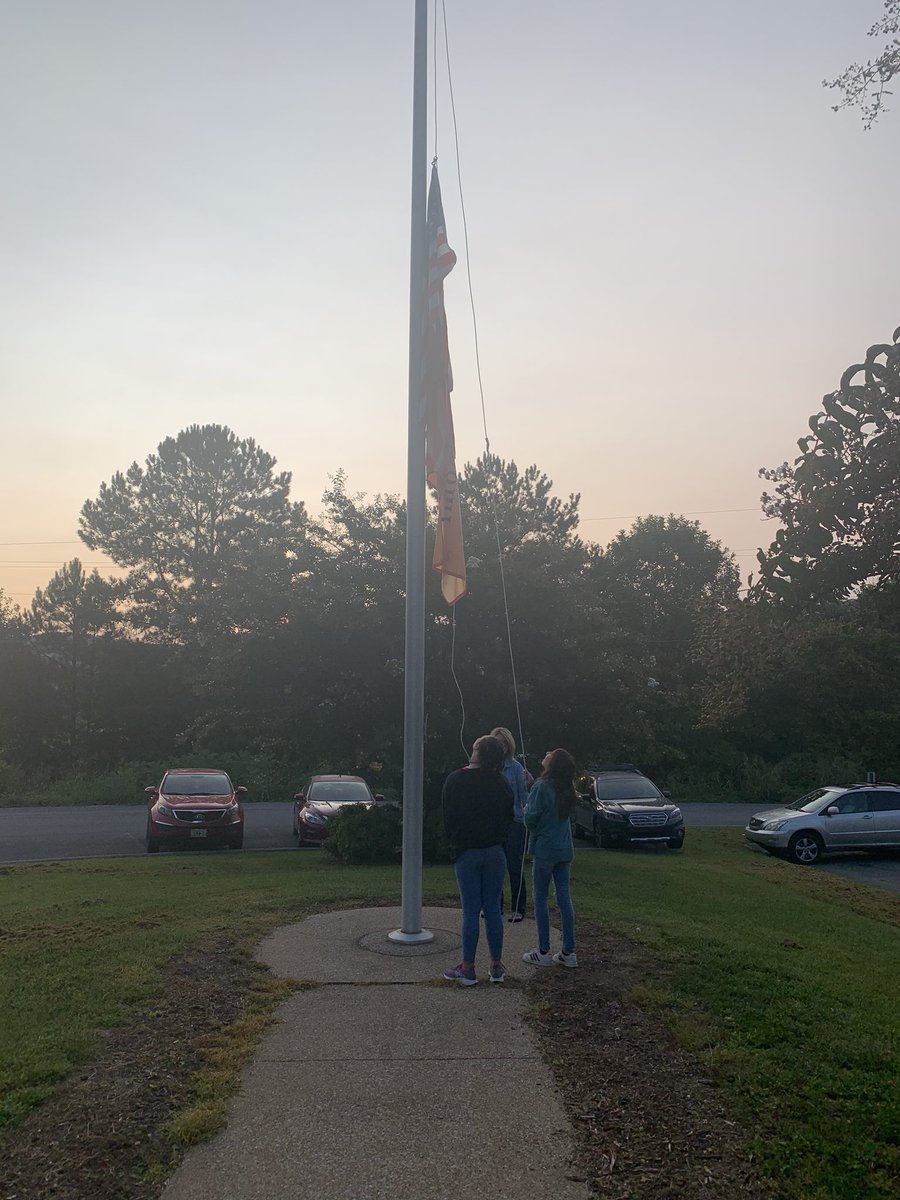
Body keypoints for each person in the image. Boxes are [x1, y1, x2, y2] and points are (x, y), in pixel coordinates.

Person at [441, 735, 514, 985]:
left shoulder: (456, 780)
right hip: (494, 851)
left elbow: (448, 815)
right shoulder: (501, 783)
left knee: (470, 910)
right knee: (493, 909)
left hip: (467, 851)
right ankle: (496, 966)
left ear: (478, 753)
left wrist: (455, 844)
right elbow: (508, 816)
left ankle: (468, 968)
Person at [521, 748, 578, 968]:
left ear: (552, 763)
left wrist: (526, 809)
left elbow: (531, 819)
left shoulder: (541, 787)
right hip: (564, 850)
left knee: (540, 899)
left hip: (545, 850)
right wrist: (531, 784)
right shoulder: (566, 788)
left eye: (549, 754)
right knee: (564, 898)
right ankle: (568, 951)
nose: (545, 754)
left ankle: (543, 951)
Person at [490, 726, 529, 922]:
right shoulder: (486, 768)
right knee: (494, 865)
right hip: (493, 823)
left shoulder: (516, 768)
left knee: (514, 865)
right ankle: (495, 906)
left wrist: (524, 817)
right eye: (498, 743)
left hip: (514, 822)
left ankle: (518, 907)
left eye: (504, 743)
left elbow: (523, 797)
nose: (502, 746)